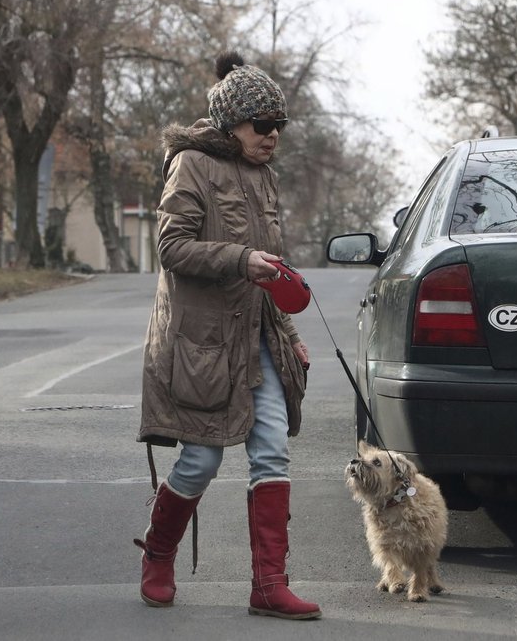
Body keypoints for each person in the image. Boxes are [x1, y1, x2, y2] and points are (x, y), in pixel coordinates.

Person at [132, 50, 320, 621]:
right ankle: (158, 554)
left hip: (258, 340)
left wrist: (286, 332)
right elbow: (170, 248)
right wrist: (239, 258)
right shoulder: (190, 165)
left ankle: (269, 585)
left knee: (271, 452)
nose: (273, 137)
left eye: (279, 127)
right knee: (202, 460)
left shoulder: (265, 177)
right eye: (263, 125)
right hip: (203, 345)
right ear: (231, 122)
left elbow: (272, 267)